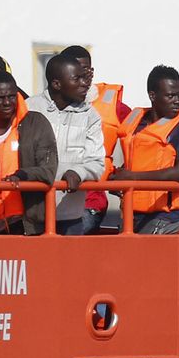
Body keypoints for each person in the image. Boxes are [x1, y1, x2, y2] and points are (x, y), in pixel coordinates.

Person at [113, 65, 179, 235]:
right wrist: (118, 179)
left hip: (165, 217)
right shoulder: (136, 122)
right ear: (152, 96)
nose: (177, 101)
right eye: (170, 96)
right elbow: (136, 163)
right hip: (132, 213)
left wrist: (132, 178)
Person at [27, 54, 105, 235]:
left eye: (84, 78)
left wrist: (78, 173)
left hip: (70, 218)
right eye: (76, 79)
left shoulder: (91, 116)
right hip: (31, 215)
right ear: (57, 84)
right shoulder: (29, 109)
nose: (84, 83)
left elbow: (97, 163)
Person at [0, 71, 57, 235]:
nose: (7, 103)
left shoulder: (36, 123)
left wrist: (21, 175)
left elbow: (49, 169)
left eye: (12, 96)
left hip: (26, 224)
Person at [62, 44, 129, 233]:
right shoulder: (48, 105)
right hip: (54, 200)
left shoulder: (113, 107)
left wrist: (126, 172)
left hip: (90, 202)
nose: (82, 77)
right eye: (75, 72)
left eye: (86, 71)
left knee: (70, 245)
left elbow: (140, 134)